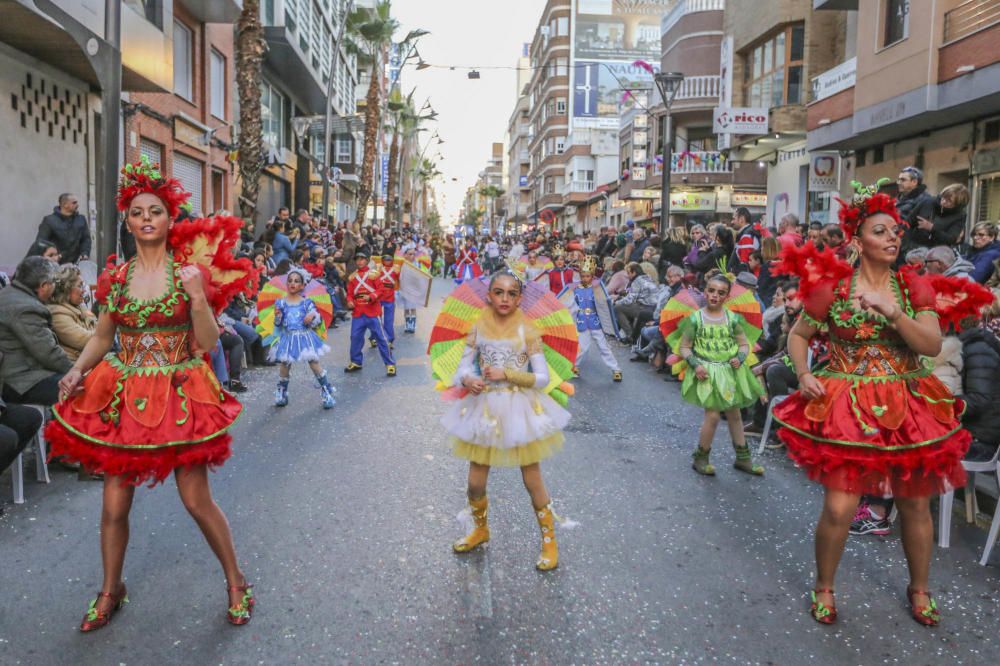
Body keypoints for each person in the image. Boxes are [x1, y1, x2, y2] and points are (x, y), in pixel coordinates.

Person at [44, 159, 254, 630]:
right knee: (114, 503)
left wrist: (198, 298)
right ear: (129, 220)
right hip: (124, 392)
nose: (146, 218)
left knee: (196, 500)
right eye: (137, 211)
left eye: (155, 210)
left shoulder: (189, 273)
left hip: (179, 391)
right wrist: (77, 371)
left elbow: (206, 342)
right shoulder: (117, 278)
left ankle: (236, 580)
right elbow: (101, 336)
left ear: (169, 218)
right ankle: (110, 589)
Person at [771, 179, 988, 627]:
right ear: (857, 241)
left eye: (896, 230)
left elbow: (929, 345)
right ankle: (825, 586)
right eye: (881, 231)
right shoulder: (831, 287)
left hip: (908, 402)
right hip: (847, 404)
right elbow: (798, 335)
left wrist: (893, 312)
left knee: (913, 502)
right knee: (839, 507)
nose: (893, 237)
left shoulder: (913, 287)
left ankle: (920, 588)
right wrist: (806, 372)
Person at [441, 271, 572, 570]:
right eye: (498, 292)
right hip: (484, 407)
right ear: (489, 295)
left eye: (511, 293)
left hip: (520, 407)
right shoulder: (478, 327)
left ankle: (549, 542)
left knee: (532, 479)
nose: (504, 298)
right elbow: (460, 368)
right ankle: (480, 529)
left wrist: (508, 374)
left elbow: (542, 378)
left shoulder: (527, 329)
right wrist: (468, 378)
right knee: (475, 483)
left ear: (519, 298)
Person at [0, 256, 72, 406]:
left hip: (15, 375)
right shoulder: (27, 308)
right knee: (79, 388)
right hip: (19, 381)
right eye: (55, 283)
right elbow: (48, 353)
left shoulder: (9, 293)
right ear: (44, 285)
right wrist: (76, 371)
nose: (55, 288)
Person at [266, 268, 336, 409]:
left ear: (303, 286)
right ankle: (282, 391)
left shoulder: (306, 302)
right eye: (290, 281)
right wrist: (278, 316)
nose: (293, 283)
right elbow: (278, 324)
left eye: (297, 281)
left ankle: (326, 390)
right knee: (285, 364)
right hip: (288, 337)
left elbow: (316, 321)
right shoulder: (281, 303)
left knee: (314, 362)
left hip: (305, 336)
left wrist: (312, 317)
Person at [567, 256, 622, 382]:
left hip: (595, 322)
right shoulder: (575, 290)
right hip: (582, 322)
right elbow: (571, 305)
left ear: (592, 276)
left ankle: (616, 369)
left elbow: (604, 304)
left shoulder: (597, 289)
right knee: (583, 347)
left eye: (588, 276)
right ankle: (574, 366)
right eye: (583, 276)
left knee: (603, 346)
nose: (585, 278)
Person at [344, 250, 396, 376]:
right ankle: (356, 361)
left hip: (372, 312)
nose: (360, 261)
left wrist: (372, 296)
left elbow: (381, 290)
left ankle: (390, 363)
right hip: (358, 312)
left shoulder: (374, 274)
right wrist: (350, 302)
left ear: (367, 260)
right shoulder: (352, 277)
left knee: (381, 338)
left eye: (362, 259)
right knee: (355, 337)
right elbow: (350, 294)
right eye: (357, 259)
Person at [47, 264, 97, 361]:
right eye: (79, 286)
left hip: (88, 360)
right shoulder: (57, 314)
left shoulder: (79, 307)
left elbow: (97, 329)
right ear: (66, 288)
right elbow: (86, 340)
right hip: (74, 366)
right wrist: (106, 330)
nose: (83, 290)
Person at [36, 193, 91, 263]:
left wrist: (85, 253)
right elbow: (41, 241)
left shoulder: (81, 219)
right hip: (56, 264)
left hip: (76, 263)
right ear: (65, 205)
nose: (77, 205)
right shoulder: (49, 220)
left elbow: (86, 239)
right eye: (74, 203)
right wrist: (51, 256)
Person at [613, 262, 659, 343]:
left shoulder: (637, 281)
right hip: (652, 307)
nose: (627, 275)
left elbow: (630, 298)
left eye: (628, 273)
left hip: (644, 307)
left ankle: (630, 335)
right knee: (625, 305)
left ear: (634, 272)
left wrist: (616, 302)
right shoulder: (647, 278)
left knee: (618, 308)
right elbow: (633, 291)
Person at [912, 184, 968, 249]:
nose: (943, 201)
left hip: (937, 252)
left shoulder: (960, 216)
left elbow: (951, 239)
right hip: (914, 247)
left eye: (949, 201)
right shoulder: (928, 202)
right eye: (943, 197)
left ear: (958, 205)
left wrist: (932, 228)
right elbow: (908, 223)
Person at [896, 166, 936, 253]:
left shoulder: (926, 201)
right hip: (896, 246)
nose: (899, 182)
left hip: (909, 252)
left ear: (914, 182)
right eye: (898, 179)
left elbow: (923, 232)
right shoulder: (898, 200)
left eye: (903, 180)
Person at [369, 253, 399, 350]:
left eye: (389, 260)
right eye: (386, 260)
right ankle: (373, 337)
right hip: (379, 296)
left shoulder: (396, 268)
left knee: (388, 321)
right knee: (376, 319)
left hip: (390, 297)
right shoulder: (378, 267)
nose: (388, 262)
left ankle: (389, 340)